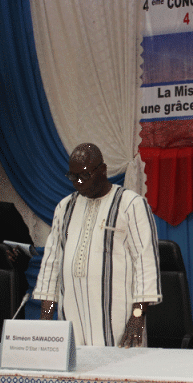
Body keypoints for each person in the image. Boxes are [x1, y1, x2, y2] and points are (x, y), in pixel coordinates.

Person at [33, 143, 162, 348]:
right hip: (72, 323)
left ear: (103, 170)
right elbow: (51, 266)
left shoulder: (131, 204)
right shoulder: (64, 207)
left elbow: (145, 265)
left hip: (120, 325)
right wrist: (45, 322)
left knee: (118, 378)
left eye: (84, 176)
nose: (78, 183)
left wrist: (138, 317)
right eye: (73, 177)